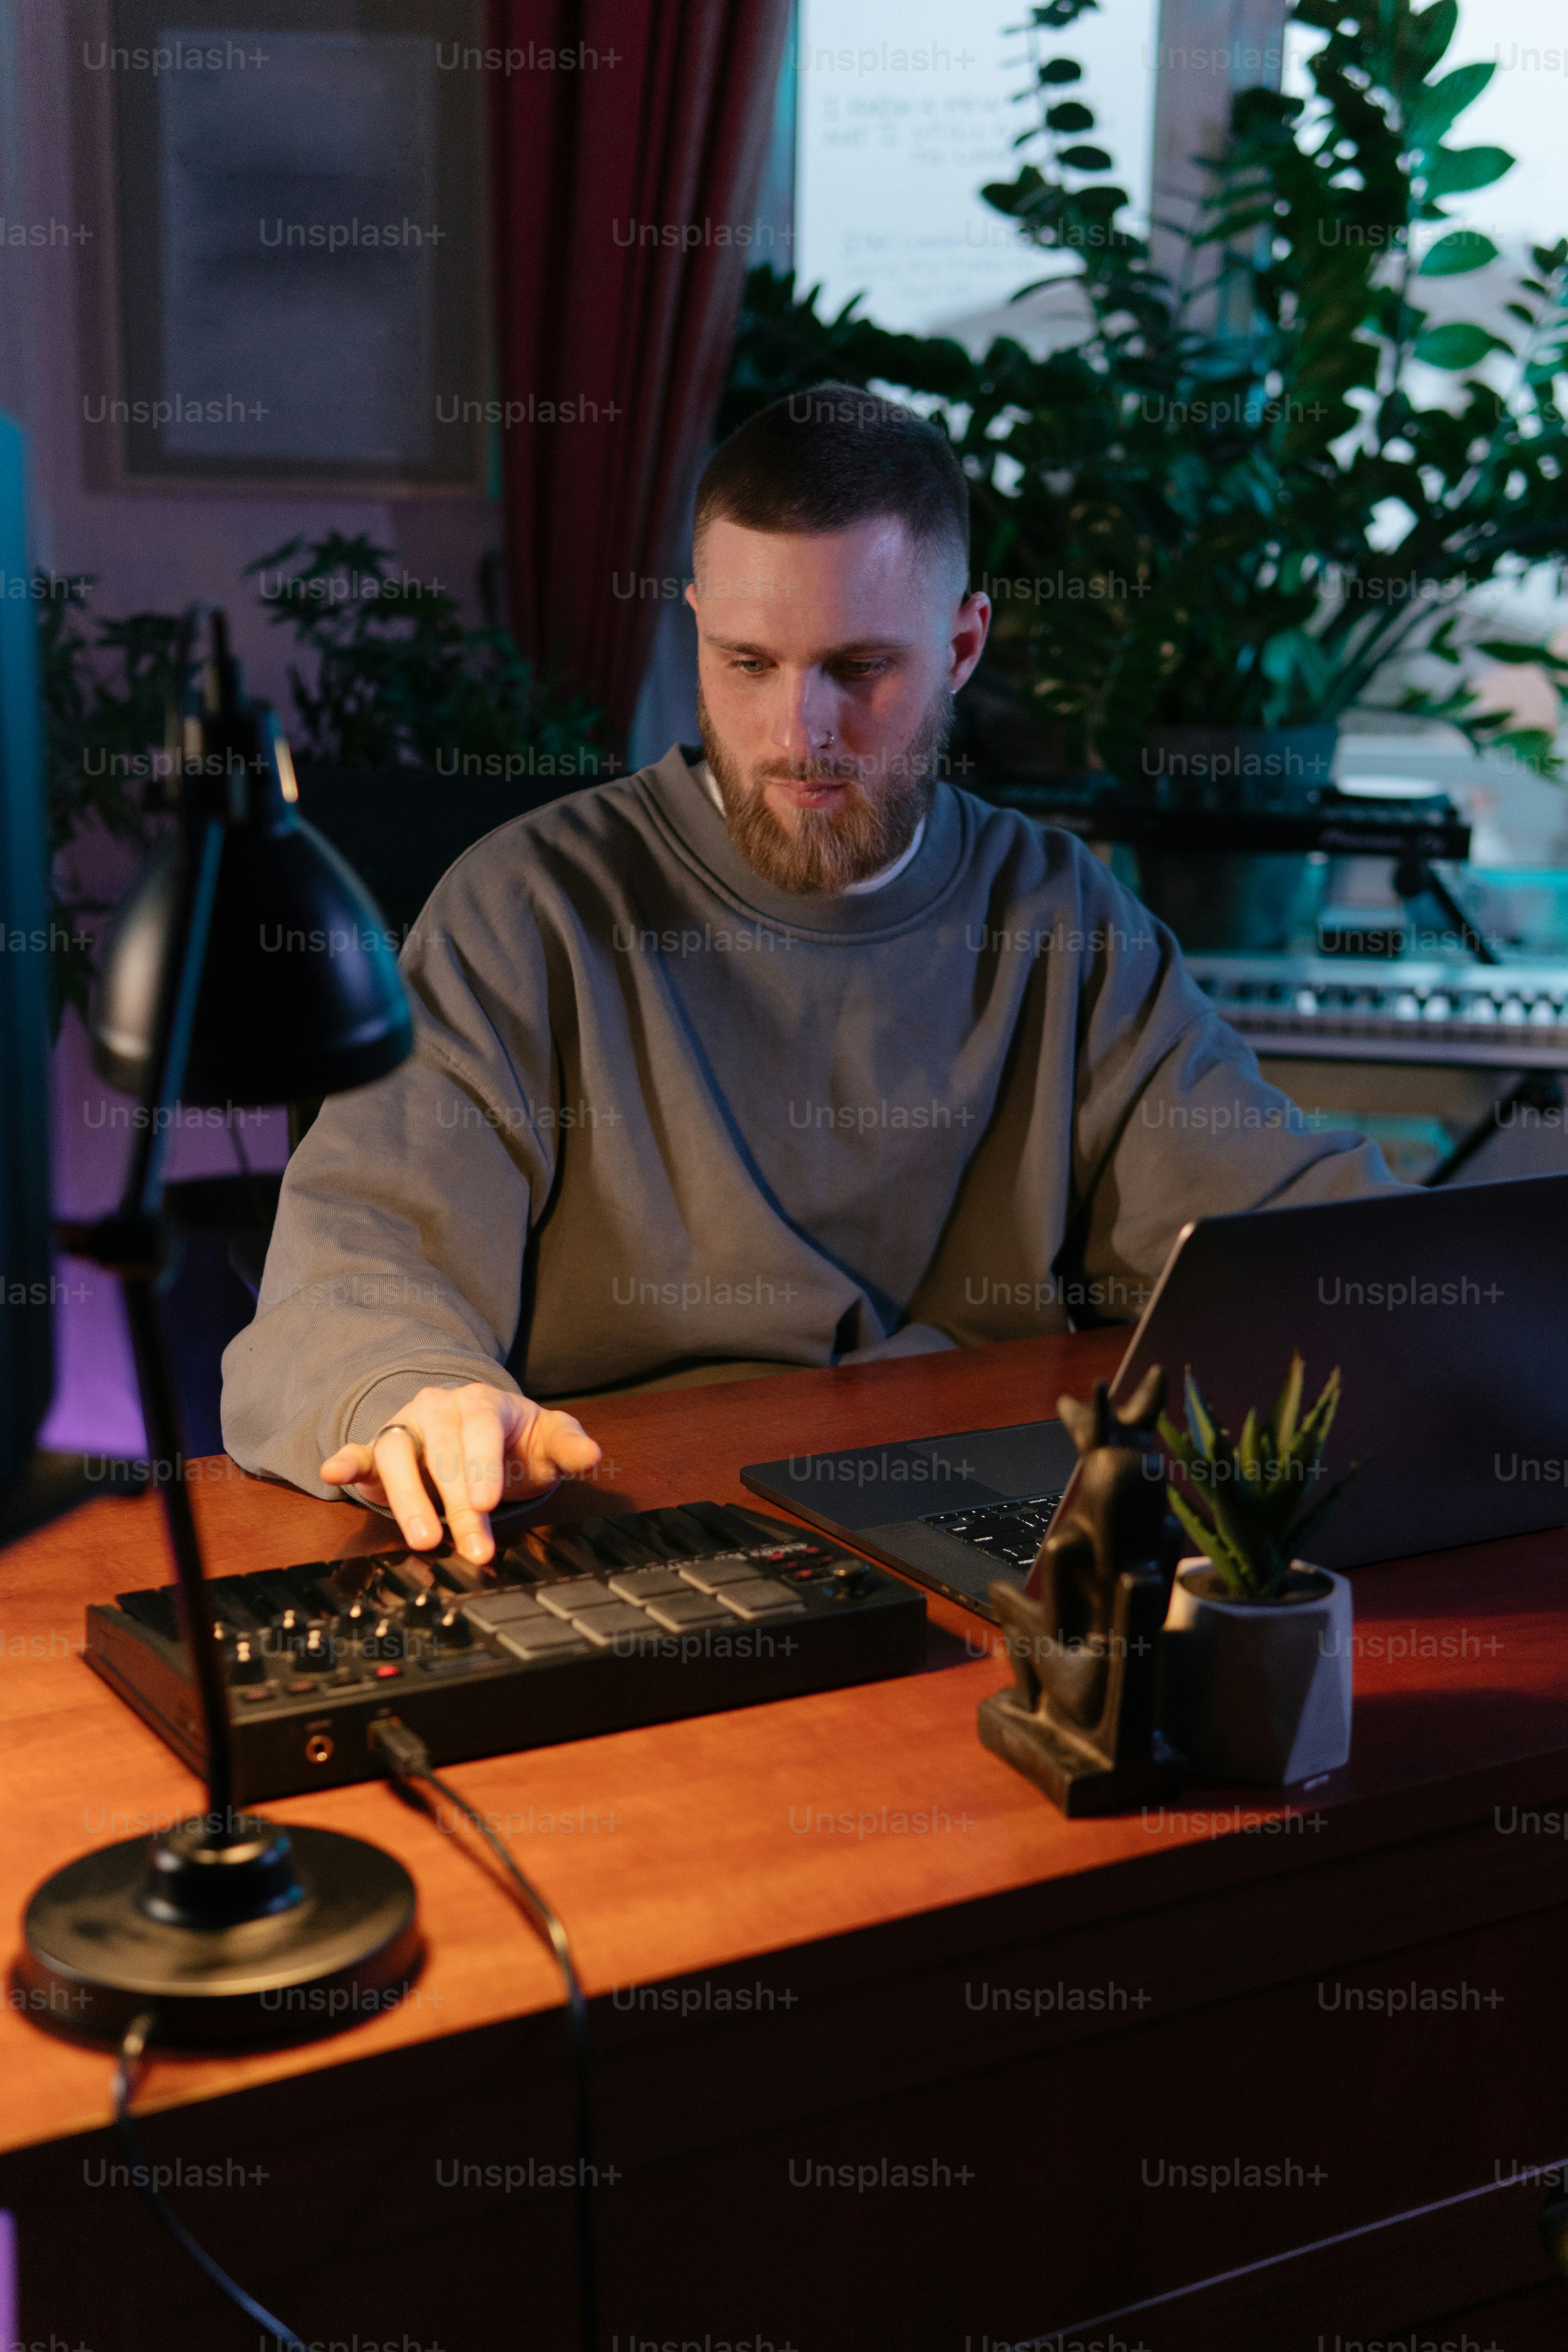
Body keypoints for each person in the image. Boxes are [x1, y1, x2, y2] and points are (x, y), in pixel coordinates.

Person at [221, 382, 1396, 1564]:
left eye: (859, 667)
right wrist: (417, 1393)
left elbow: (1288, 1229)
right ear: (695, 630)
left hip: (980, 1524)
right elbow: (354, 1264)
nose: (799, 732)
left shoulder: (1062, 921)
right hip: (640, 1527)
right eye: (747, 663)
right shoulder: (527, 909)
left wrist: (1469, 1303)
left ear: (963, 646)